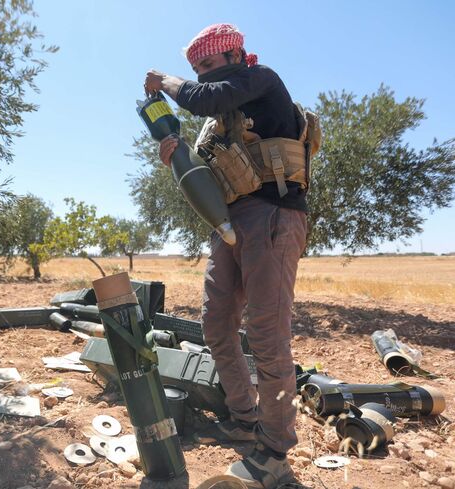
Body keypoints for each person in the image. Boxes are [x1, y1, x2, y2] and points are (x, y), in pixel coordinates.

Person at [144, 23, 309, 488]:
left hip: (274, 217)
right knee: (215, 323)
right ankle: (243, 418)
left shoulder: (261, 82)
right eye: (195, 69)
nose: (200, 75)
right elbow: (203, 181)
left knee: (266, 334)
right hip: (231, 226)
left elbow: (204, 96)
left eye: (208, 65)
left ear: (236, 54)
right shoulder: (216, 127)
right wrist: (175, 156)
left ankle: (275, 451)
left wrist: (168, 82)